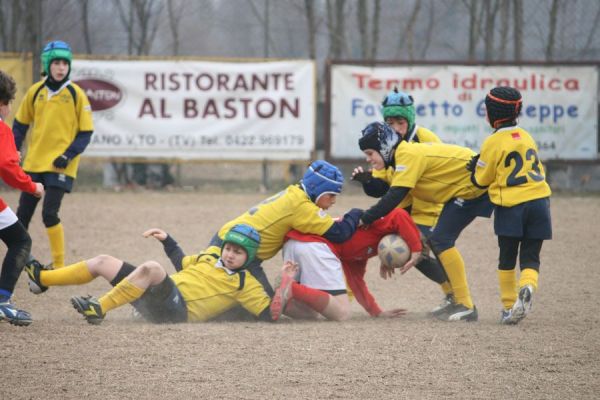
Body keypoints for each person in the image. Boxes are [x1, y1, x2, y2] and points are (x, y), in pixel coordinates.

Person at [356, 122, 494, 322]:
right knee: (421, 242)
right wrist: (387, 239)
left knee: (441, 240)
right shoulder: (400, 159)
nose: (367, 159)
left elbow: (394, 196)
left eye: (370, 153)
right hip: (459, 190)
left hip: (472, 188)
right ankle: (456, 299)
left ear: (384, 147)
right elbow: (398, 208)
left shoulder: (407, 155)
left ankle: (465, 305)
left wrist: (365, 218)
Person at [25, 224, 273, 324]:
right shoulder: (209, 257)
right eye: (228, 248)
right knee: (103, 261)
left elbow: (267, 314)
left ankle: (98, 308)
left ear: (248, 258)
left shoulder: (244, 283)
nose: (230, 255)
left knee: (152, 269)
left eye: (237, 253)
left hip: (178, 312)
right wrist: (167, 240)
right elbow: (181, 262)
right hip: (160, 297)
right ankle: (42, 277)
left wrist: (285, 287)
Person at [352, 89, 452, 312]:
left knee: (417, 247)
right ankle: (452, 294)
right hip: (403, 209)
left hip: (429, 205)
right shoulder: (384, 142)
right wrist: (368, 181)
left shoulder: (426, 139)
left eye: (400, 122)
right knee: (413, 251)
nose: (395, 128)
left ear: (410, 119)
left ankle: (455, 296)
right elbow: (382, 189)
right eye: (390, 122)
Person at [211, 160, 363, 298]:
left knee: (262, 305)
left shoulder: (294, 193)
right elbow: (340, 233)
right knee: (263, 307)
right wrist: (356, 214)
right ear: (316, 188)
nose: (334, 201)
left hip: (231, 241)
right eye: (331, 195)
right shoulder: (302, 207)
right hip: (235, 247)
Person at [469, 86, 552, 325]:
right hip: (539, 201)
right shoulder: (526, 136)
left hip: (512, 205)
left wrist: (474, 169)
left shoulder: (493, 142)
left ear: (491, 114)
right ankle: (527, 286)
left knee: (507, 258)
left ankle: (508, 306)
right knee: (530, 257)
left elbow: (481, 180)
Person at [12, 40, 94, 269]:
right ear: (47, 65)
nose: (61, 68)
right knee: (21, 217)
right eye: (56, 63)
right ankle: (18, 261)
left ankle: (58, 266)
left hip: (61, 166)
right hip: (34, 163)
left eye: (64, 63)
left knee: (50, 214)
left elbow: (86, 133)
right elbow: (19, 125)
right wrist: (13, 150)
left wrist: (67, 155)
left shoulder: (76, 94)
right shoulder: (35, 91)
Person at [270, 207, 422, 321]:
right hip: (315, 246)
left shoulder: (360, 254)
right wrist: (416, 249)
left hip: (296, 244)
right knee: (342, 313)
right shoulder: (378, 223)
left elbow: (357, 283)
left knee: (311, 312)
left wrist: (376, 312)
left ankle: (275, 302)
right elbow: (400, 214)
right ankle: (291, 288)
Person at [0, 70, 45, 326]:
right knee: (20, 241)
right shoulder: (2, 129)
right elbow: (7, 168)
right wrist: (32, 186)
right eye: (9, 104)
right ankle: (3, 301)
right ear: (3, 103)